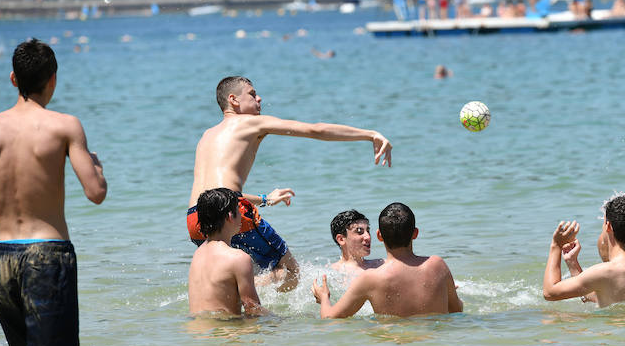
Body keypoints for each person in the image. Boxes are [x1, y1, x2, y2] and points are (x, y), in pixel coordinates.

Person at [0, 39, 107, 346]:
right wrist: (96, 166)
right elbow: (95, 192)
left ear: (13, 79)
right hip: (46, 257)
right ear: (53, 79)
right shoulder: (64, 126)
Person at [188, 76, 393, 293]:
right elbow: (316, 130)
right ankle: (270, 318)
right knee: (290, 271)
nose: (259, 98)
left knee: (243, 269)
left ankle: (232, 307)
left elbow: (217, 196)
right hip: (231, 212)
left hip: (195, 219)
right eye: (251, 93)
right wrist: (371, 135)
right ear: (233, 100)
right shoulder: (251, 122)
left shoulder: (207, 136)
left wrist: (265, 200)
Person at [312, 203, 462, 318]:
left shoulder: (370, 278)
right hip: (435, 345)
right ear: (415, 233)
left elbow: (329, 318)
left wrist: (324, 297)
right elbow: (457, 310)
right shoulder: (438, 264)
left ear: (379, 236)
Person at [543, 196, 625, 307]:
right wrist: (573, 264)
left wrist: (556, 246)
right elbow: (607, 298)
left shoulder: (605, 271)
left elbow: (549, 293)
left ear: (608, 226)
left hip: (615, 326)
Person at [188, 188, 265, 316]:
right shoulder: (238, 258)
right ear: (230, 216)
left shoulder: (198, 254)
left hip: (197, 332)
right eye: (238, 211)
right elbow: (253, 310)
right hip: (224, 331)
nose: (241, 215)